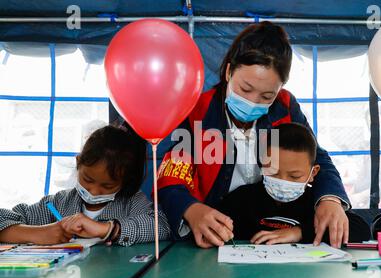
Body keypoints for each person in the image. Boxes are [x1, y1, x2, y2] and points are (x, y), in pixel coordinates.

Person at [158, 21, 351, 249]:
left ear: (280, 89)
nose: (252, 102)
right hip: (214, 228)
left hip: (268, 227)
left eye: (267, 96)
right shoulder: (198, 111)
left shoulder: (285, 107)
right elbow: (171, 172)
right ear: (229, 72)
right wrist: (191, 209)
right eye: (245, 89)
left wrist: (330, 199)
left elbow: (315, 157)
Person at [0, 125, 171, 246]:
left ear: (124, 181)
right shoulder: (57, 205)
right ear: (78, 164)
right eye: (88, 179)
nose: (94, 191)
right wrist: (39, 233)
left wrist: (107, 229)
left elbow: (161, 226)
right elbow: (3, 218)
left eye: (107, 186)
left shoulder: (131, 203)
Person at [215, 123, 370, 244]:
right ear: (263, 164)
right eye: (274, 172)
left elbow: (360, 229)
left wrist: (299, 233)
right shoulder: (242, 199)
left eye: (294, 176)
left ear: (313, 173)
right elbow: (216, 223)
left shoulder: (316, 205)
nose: (283, 181)